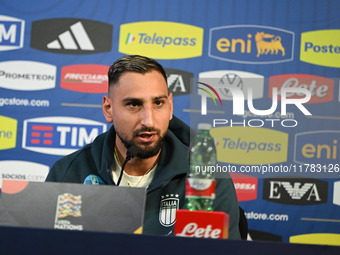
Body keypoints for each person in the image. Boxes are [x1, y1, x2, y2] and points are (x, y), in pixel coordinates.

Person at [46, 55, 241, 239]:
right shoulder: (67, 175)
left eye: (158, 103)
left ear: (170, 107)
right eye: (133, 105)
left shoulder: (209, 180)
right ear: (108, 109)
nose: (148, 120)